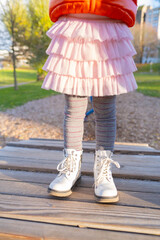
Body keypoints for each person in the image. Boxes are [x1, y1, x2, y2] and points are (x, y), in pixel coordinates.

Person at [41, 0, 138, 203]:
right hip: (73, 19)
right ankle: (72, 167)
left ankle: (103, 168)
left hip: (111, 19)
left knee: (105, 111)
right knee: (74, 108)